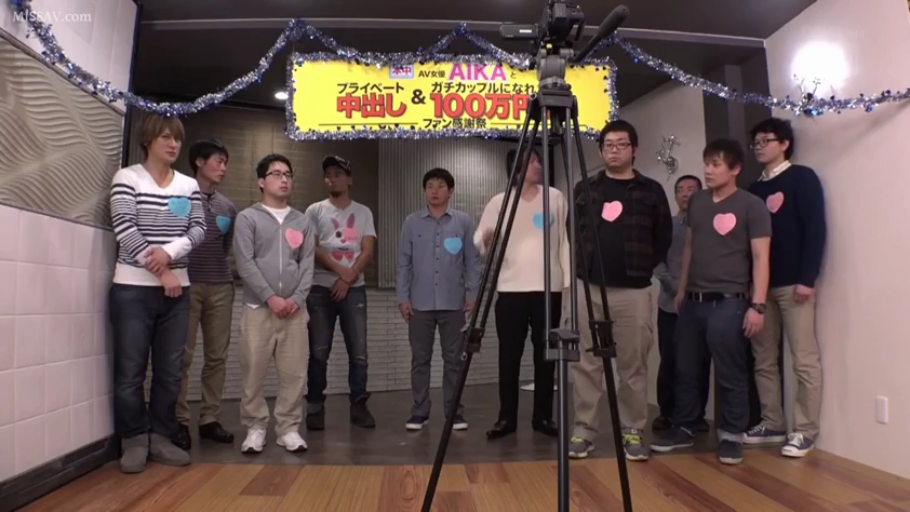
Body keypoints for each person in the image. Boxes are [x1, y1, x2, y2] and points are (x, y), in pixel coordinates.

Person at [651, 138, 771, 465]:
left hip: (730, 302)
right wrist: (682, 289)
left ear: (735, 169)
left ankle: (732, 435)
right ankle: (684, 426)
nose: (708, 170)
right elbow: (690, 245)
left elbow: (761, 257)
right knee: (686, 367)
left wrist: (758, 305)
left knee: (730, 371)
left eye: (716, 164)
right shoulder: (699, 202)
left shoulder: (751, 205)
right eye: (707, 163)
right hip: (693, 300)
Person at [568, 120, 673, 461]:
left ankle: (632, 430)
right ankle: (584, 430)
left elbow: (663, 237)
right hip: (588, 289)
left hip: (633, 292)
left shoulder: (651, 190)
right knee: (586, 364)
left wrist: (641, 267)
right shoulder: (585, 188)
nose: (614, 150)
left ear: (634, 149)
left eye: (621, 144)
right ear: (601, 151)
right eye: (608, 145)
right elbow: (573, 232)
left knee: (633, 365)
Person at [109, 114, 205, 473]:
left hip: (177, 291)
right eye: (166, 137)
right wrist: (163, 271)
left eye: (177, 138)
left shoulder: (188, 185)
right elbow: (124, 227)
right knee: (131, 369)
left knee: (170, 370)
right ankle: (134, 438)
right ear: (148, 140)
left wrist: (170, 253)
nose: (173, 144)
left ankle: (162, 436)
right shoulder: (127, 177)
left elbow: (198, 228)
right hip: (133, 289)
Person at [474, 146, 570, 440]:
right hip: (510, 289)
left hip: (549, 289)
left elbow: (564, 242)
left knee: (546, 355)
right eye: (531, 161)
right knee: (509, 355)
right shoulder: (500, 201)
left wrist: (567, 284)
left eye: (539, 160)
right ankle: (506, 418)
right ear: (515, 168)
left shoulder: (554, 197)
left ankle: (543, 417)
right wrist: (487, 239)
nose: (538, 165)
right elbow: (480, 240)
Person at [746, 118, 826, 457]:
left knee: (804, 359)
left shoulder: (802, 177)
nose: (759, 147)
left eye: (766, 140)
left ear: (784, 144)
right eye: (756, 142)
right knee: (763, 358)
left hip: (795, 284)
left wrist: (808, 278)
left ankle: (805, 431)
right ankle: (772, 423)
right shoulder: (753, 190)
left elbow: (815, 229)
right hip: (761, 289)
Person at [233, 154, 316, 454]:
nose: (284, 179)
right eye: (276, 174)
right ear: (261, 181)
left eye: (288, 175)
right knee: (253, 372)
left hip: (295, 312)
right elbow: (245, 263)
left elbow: (307, 264)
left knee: (294, 374)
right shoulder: (248, 218)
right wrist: (270, 297)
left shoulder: (303, 221)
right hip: (258, 309)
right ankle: (255, 427)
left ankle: (288, 428)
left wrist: (295, 299)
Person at [396, 168, 482, 431]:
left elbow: (473, 262)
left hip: (453, 304)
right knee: (419, 360)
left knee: (454, 361)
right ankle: (419, 412)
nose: (435, 190)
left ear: (451, 191)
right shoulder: (411, 222)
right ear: (424, 191)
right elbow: (403, 263)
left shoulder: (463, 222)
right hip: (419, 304)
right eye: (430, 186)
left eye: (441, 186)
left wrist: (472, 295)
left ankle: (454, 413)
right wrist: (403, 297)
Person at [305, 155, 378, 430]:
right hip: (319, 290)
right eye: (328, 175)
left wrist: (349, 278)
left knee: (359, 352)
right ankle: (315, 407)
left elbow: (367, 250)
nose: (332, 179)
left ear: (349, 179)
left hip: (354, 290)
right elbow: (312, 248)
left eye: (338, 174)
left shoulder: (363, 212)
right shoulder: (314, 210)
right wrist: (341, 272)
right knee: (318, 352)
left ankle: (359, 406)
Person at [174, 139, 237, 451]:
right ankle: (179, 420)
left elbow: (225, 248)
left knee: (217, 357)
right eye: (218, 161)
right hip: (186, 285)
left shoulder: (228, 207)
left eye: (225, 162)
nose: (223, 168)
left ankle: (209, 418)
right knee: (182, 356)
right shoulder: (180, 197)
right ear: (199, 162)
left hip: (220, 286)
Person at [652, 175, 711, 433]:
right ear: (675, 196)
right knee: (670, 358)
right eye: (680, 190)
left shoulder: (709, 224)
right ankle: (667, 412)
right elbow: (657, 261)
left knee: (701, 360)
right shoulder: (667, 226)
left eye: (691, 189)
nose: (685, 194)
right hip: (670, 303)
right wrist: (677, 288)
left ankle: (696, 415)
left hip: (702, 302)